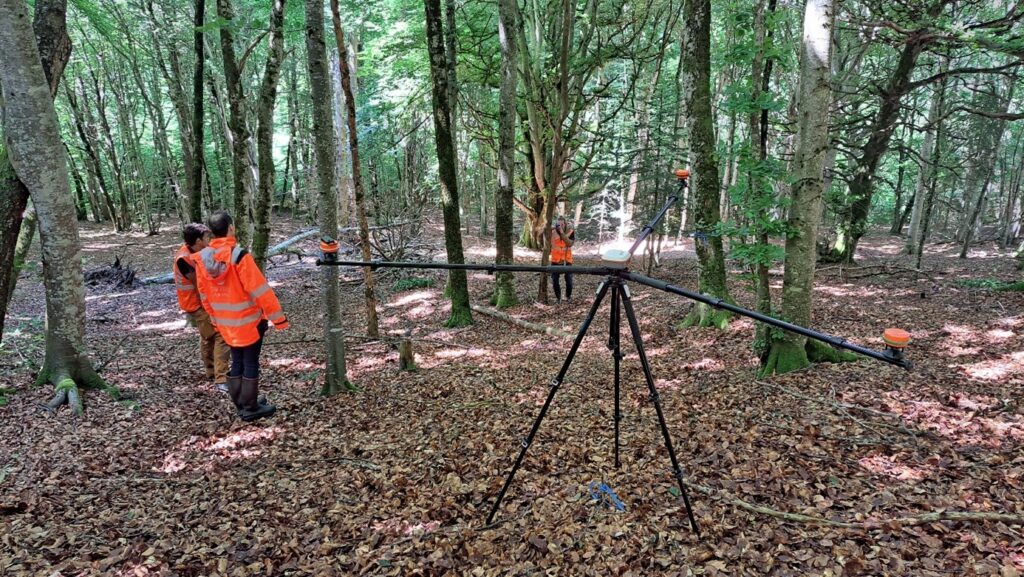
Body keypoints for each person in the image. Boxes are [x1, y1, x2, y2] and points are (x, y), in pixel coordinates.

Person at [192, 211, 289, 422]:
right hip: (249, 321)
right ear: (231, 227)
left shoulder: (202, 260)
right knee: (250, 361)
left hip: (225, 323)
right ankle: (250, 406)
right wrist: (279, 319)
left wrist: (215, 319)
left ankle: (242, 401)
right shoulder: (239, 256)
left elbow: (203, 294)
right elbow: (260, 290)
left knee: (237, 360)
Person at [174, 223, 231, 393]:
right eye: (206, 238)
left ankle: (211, 371)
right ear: (198, 241)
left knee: (208, 337)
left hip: (200, 303)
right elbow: (199, 283)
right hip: (197, 305)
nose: (209, 240)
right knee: (220, 335)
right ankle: (221, 378)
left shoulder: (195, 251)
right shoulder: (184, 258)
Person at [548, 215, 575, 303]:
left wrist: (562, 233)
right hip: (555, 260)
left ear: (565, 224)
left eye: (562, 224)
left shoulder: (570, 231)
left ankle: (568, 296)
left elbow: (570, 243)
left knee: (569, 280)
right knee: (555, 281)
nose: (560, 226)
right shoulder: (552, 231)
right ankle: (558, 298)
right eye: (558, 225)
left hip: (567, 260)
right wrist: (547, 229)